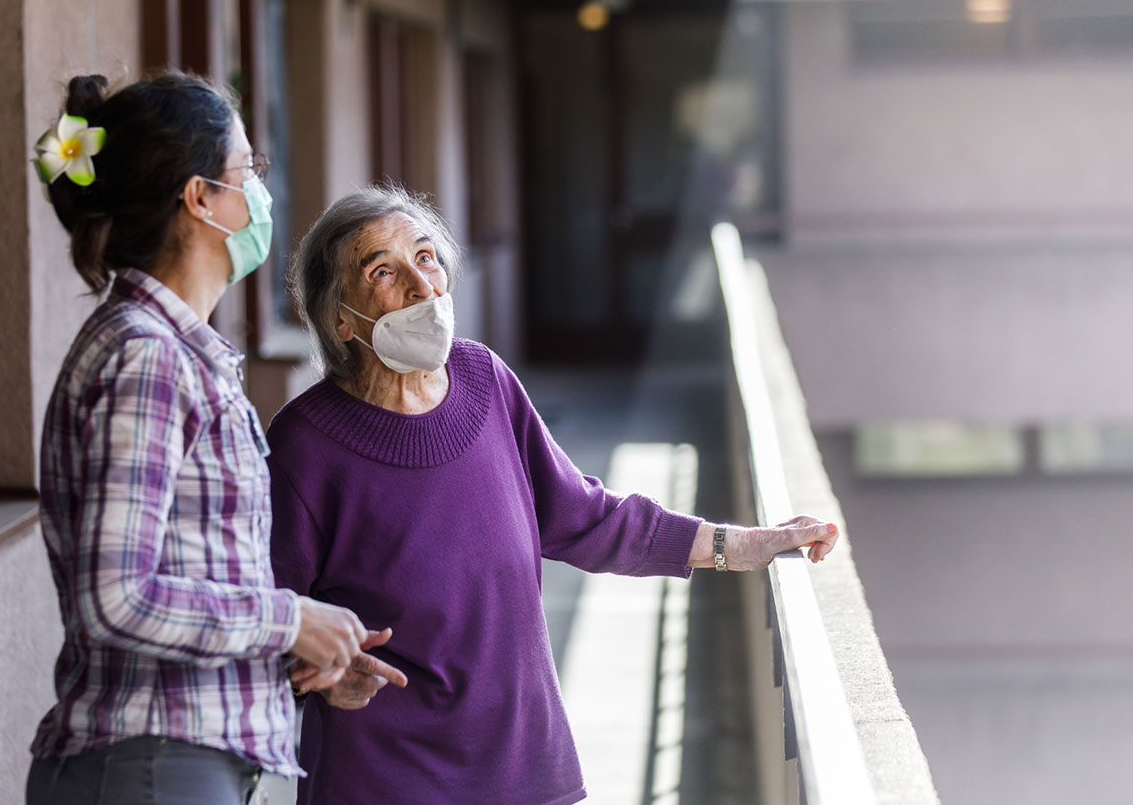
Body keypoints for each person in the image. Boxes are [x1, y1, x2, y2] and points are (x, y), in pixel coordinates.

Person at [267, 185, 839, 805]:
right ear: (341, 318)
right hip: (384, 782)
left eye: (427, 257)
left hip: (525, 770)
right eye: (383, 270)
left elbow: (585, 518)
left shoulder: (485, 380)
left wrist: (738, 545)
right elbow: (269, 618)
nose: (421, 285)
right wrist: (316, 677)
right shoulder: (306, 443)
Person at [25, 73, 403, 805]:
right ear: (199, 197)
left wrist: (294, 651)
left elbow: (187, 580)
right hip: (150, 765)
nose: (261, 194)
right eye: (248, 172)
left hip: (175, 760)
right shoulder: (148, 357)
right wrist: (289, 616)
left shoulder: (171, 349)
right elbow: (117, 597)